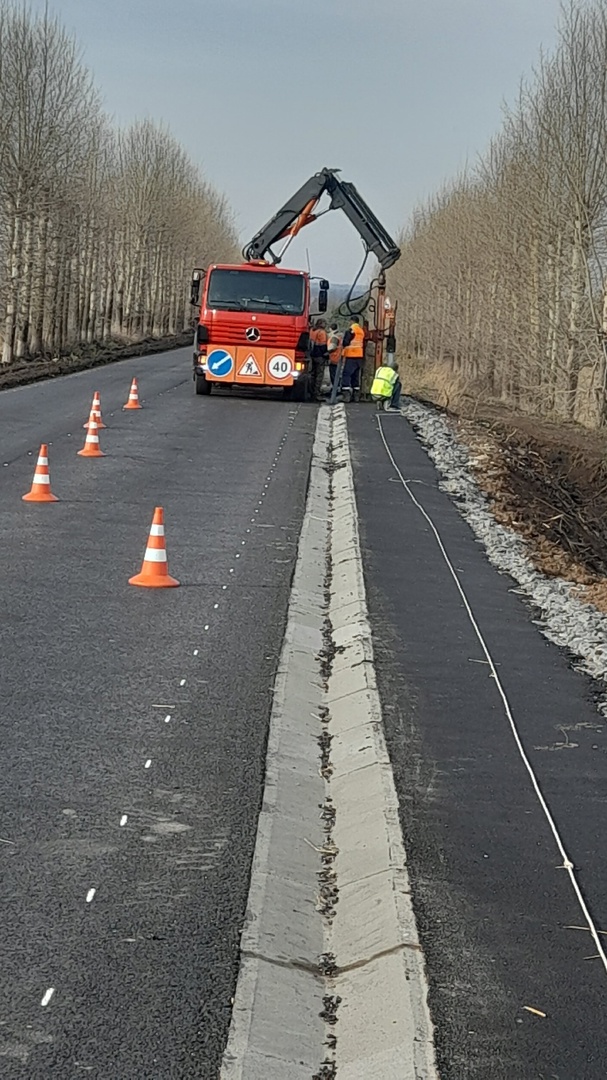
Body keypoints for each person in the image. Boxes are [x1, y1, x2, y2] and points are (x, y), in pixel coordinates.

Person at [340, 315, 365, 402]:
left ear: (351, 321)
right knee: (355, 375)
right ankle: (356, 395)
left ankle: (346, 395)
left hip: (351, 355)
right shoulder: (361, 331)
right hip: (359, 356)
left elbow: (345, 342)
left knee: (346, 374)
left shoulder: (351, 330)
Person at [309, 319, 328, 401]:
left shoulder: (312, 331)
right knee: (319, 375)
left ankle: (311, 391)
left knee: (312, 374)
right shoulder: (322, 332)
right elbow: (323, 345)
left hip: (312, 355)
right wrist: (326, 354)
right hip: (320, 356)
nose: (326, 324)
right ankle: (316, 393)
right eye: (324, 323)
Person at [327, 323, 342, 388]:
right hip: (337, 357)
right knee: (336, 374)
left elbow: (332, 347)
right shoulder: (338, 335)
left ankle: (336, 389)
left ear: (330, 329)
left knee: (334, 374)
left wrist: (326, 351)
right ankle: (337, 388)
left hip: (334, 358)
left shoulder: (334, 337)